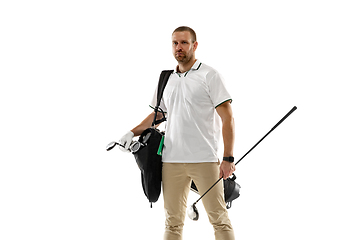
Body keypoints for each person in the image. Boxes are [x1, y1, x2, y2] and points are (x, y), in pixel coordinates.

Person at [119, 26, 236, 240]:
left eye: (183, 42)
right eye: (175, 43)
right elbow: (158, 115)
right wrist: (131, 132)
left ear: (194, 45)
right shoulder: (166, 79)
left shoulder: (209, 75)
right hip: (171, 161)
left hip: (204, 160)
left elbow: (227, 118)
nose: (179, 47)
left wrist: (228, 158)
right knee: (172, 223)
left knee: (219, 219)